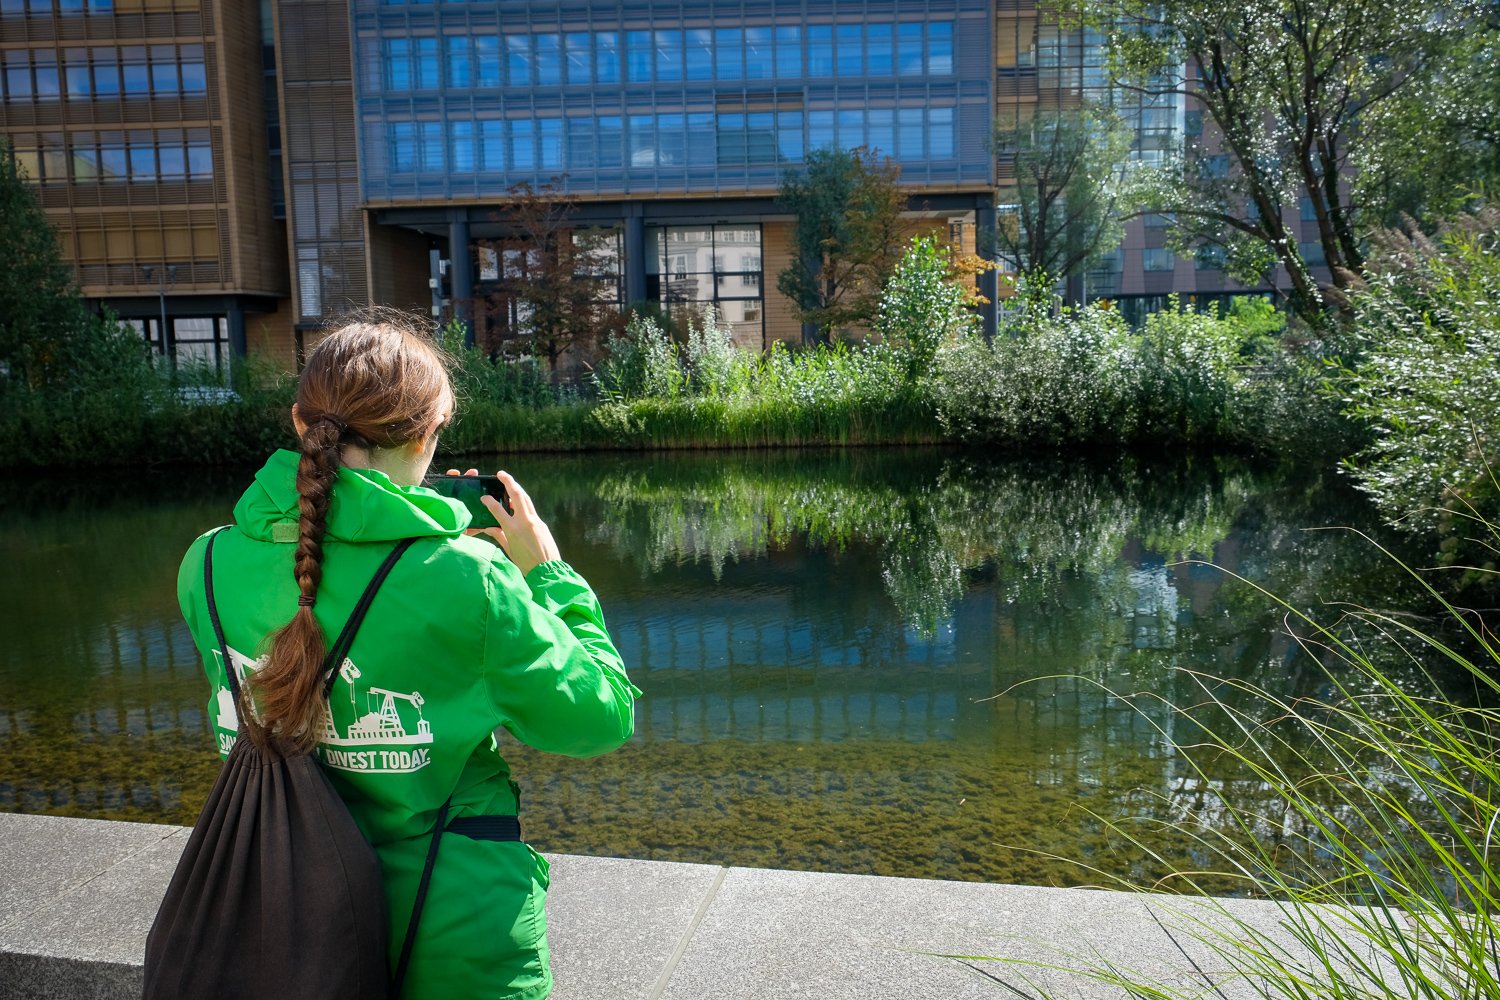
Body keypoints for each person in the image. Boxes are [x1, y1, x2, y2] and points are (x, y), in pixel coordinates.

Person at [175, 315, 639, 1000]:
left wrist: (409, 527)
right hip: (452, 934)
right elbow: (600, 717)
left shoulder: (206, 562)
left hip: (284, 923)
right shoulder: (467, 578)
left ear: (300, 421)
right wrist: (549, 574)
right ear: (425, 434)